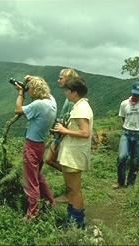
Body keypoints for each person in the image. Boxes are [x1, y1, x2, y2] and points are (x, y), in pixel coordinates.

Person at [50, 76, 93, 228]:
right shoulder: (80, 106)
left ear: (74, 92)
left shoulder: (81, 109)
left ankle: (77, 222)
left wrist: (63, 130)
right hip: (73, 154)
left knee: (74, 190)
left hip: (74, 155)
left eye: (67, 91)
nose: (65, 93)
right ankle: (72, 219)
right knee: (72, 189)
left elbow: (85, 132)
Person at [14, 75, 57, 219]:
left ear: (35, 90)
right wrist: (32, 79)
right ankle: (51, 202)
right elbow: (44, 90)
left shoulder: (38, 105)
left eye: (29, 89)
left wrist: (20, 92)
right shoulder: (52, 101)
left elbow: (18, 109)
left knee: (31, 182)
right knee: (38, 177)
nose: (28, 91)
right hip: (41, 145)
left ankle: (32, 214)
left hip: (31, 146)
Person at [45, 68, 79, 203]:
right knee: (51, 160)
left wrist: (61, 132)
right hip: (60, 133)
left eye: (61, 78)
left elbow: (71, 120)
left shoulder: (71, 99)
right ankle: (72, 183)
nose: (58, 80)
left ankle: (72, 186)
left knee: (50, 160)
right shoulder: (68, 97)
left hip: (63, 135)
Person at [112, 81, 139, 189]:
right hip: (126, 133)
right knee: (122, 157)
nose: (135, 96)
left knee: (135, 160)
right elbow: (123, 118)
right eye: (134, 94)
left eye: (138, 94)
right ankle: (120, 181)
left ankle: (130, 183)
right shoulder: (124, 104)